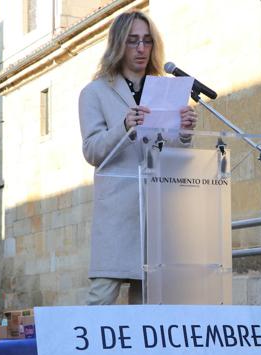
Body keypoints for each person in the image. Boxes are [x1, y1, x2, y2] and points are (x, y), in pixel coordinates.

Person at [79, 10, 197, 305]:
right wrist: (124, 126)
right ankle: (88, 353)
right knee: (101, 298)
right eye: (133, 41)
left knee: (148, 303)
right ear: (118, 44)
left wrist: (183, 133)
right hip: (118, 211)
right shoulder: (94, 92)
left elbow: (170, 155)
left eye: (147, 41)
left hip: (156, 209)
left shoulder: (164, 90)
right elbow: (92, 151)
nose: (142, 48)